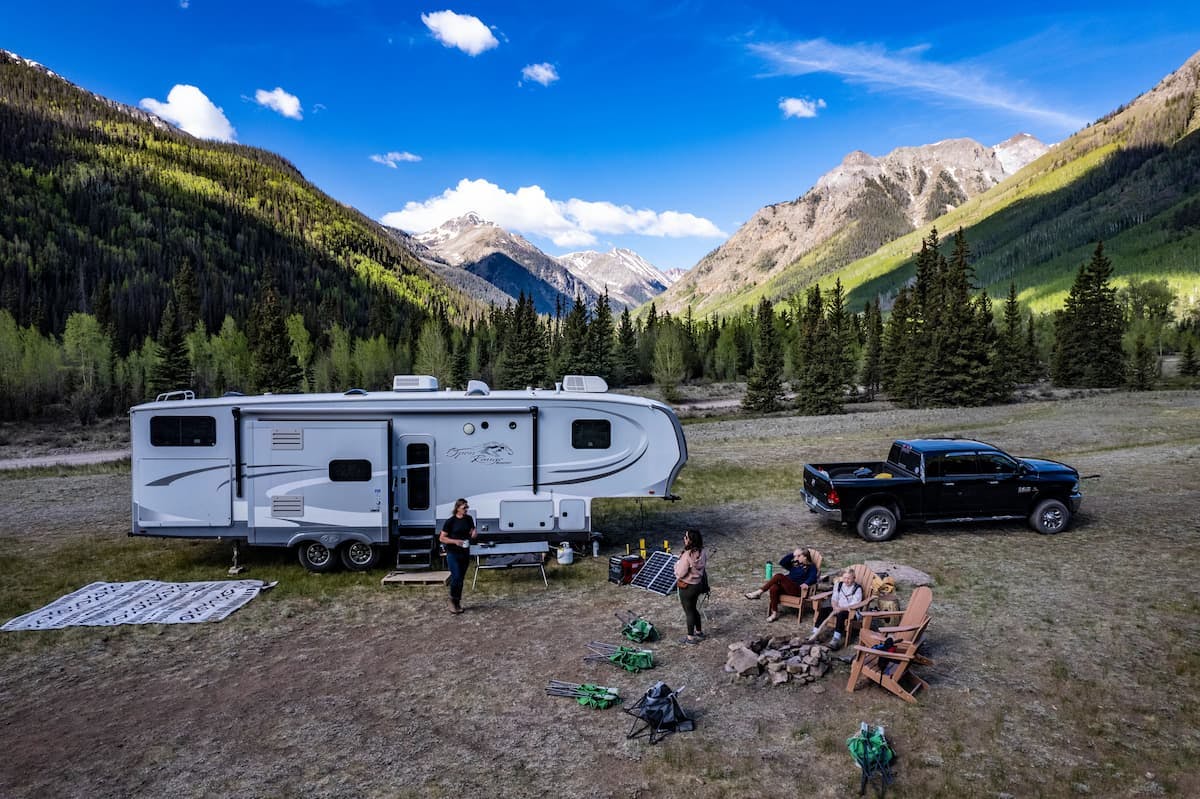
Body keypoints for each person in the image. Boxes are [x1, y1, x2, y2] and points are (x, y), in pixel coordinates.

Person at [743, 547, 819, 622]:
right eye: (796, 556)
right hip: (787, 587)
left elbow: (813, 578)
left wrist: (806, 583)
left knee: (779, 576)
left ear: (805, 557)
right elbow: (782, 562)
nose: (797, 557)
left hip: (798, 590)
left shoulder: (811, 567)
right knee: (774, 587)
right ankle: (774, 614)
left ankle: (759, 592)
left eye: (799, 556)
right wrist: (793, 554)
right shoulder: (796, 565)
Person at [439, 498, 476, 614]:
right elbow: (442, 538)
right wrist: (455, 541)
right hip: (453, 553)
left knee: (461, 579)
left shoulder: (469, 519)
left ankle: (457, 601)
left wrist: (474, 533)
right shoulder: (450, 521)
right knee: (456, 577)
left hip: (465, 553)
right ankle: (451, 601)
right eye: (464, 507)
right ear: (458, 508)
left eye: (467, 507)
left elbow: (472, 531)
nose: (466, 509)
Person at [811, 568, 863, 649]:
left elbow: (855, 604)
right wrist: (835, 606)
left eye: (849, 578)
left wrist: (841, 609)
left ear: (854, 578)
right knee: (824, 610)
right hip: (837, 608)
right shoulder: (838, 585)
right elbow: (834, 598)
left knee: (841, 615)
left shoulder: (857, 588)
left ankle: (835, 639)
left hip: (851, 611)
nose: (846, 580)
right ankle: (815, 633)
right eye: (845, 578)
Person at [673, 528, 708, 645]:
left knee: (689, 611)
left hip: (687, 587)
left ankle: (690, 638)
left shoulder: (687, 555)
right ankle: (699, 632)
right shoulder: (702, 552)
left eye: (686, 537)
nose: (684, 538)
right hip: (697, 585)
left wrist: (677, 565)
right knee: (693, 609)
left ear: (691, 540)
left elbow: (681, 572)